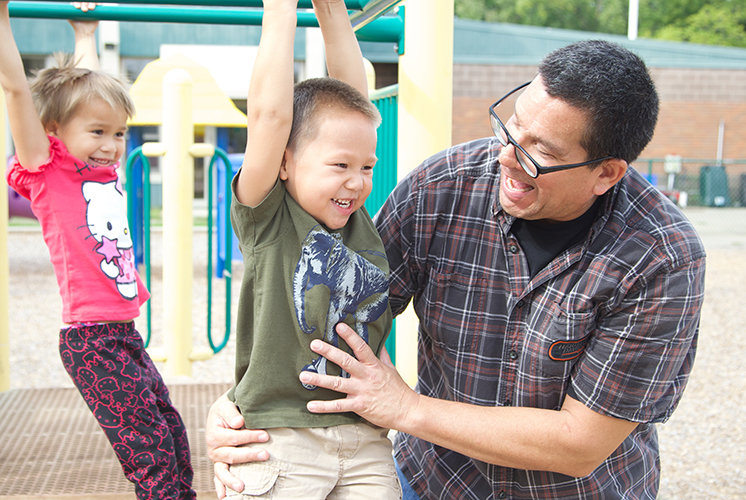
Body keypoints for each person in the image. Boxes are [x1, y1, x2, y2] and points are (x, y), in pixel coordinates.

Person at [207, 39, 706, 500]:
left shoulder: (661, 258)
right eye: (511, 128)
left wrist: (406, 409)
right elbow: (332, 308)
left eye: (541, 154)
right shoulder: (441, 189)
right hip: (439, 481)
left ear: (606, 173)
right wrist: (241, 405)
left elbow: (580, 443)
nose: (508, 157)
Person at [1, 4, 197, 499]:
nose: (111, 145)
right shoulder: (47, 173)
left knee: (171, 431)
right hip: (91, 342)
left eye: (118, 133)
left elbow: (90, 96)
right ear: (54, 134)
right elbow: (17, 90)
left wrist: (86, 33)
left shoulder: (99, 172)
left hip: (122, 334)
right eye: (98, 134)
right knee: (147, 450)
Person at [216, 0, 399, 498]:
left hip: (364, 433)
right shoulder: (269, 218)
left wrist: (332, 10)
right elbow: (271, 117)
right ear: (283, 162)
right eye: (340, 166)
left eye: (367, 166)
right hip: (281, 436)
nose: (358, 181)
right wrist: (280, 10)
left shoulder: (354, 219)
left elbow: (355, 105)